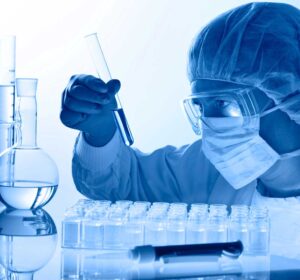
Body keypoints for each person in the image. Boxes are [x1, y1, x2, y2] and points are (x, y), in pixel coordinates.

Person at [60, 2, 300, 206]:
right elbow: (119, 187)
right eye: (201, 109)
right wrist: (100, 132)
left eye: (225, 104)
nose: (211, 126)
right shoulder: (208, 172)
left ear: (292, 100)